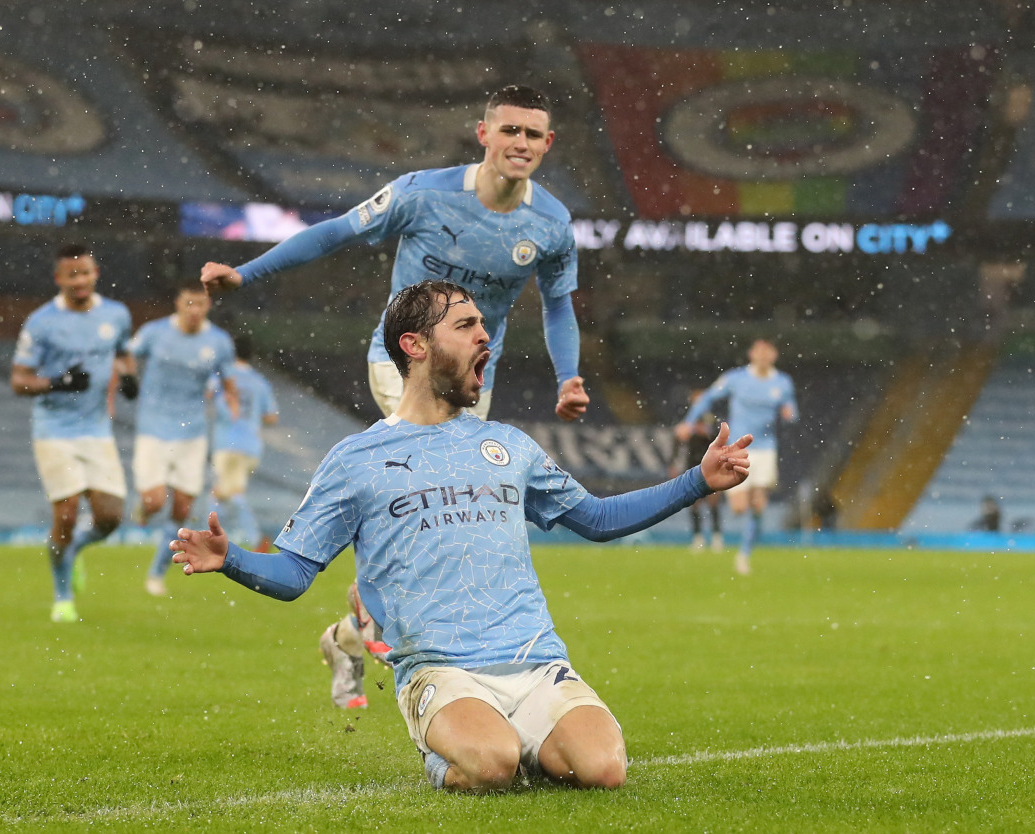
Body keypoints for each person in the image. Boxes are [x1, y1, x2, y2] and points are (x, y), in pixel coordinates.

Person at [170, 281, 753, 792]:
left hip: (535, 659)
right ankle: (451, 745)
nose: (485, 337)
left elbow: (596, 521)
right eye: (467, 325)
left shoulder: (509, 446)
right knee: (492, 765)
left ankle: (518, 732)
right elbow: (295, 574)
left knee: (603, 770)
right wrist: (232, 560)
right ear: (415, 346)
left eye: (484, 325)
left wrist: (697, 482)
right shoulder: (356, 460)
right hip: (438, 667)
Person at [200, 84, 590, 707]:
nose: (520, 143)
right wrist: (247, 272)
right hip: (402, 365)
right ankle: (371, 608)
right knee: (418, 480)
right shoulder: (420, 194)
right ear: (483, 134)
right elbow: (332, 234)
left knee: (455, 514)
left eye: (533, 134)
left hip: (470, 382)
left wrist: (568, 376)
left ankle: (350, 636)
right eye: (509, 130)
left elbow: (558, 306)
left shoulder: (550, 225)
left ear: (549, 144)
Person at [11, 243, 134, 622]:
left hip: (96, 429)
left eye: (85, 273)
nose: (79, 281)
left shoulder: (116, 314)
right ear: (58, 278)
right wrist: (57, 383)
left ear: (96, 274)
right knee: (64, 514)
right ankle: (63, 598)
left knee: (110, 517)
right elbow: (18, 381)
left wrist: (129, 376)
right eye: (71, 274)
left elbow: (123, 352)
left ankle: (74, 550)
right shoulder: (41, 322)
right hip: (54, 429)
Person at [127, 282, 240, 597]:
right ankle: (144, 509)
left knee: (181, 509)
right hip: (153, 427)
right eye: (189, 303)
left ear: (208, 307)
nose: (195, 310)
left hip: (192, 433)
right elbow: (125, 359)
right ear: (177, 303)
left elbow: (229, 381)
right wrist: (124, 383)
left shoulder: (218, 342)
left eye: (201, 304)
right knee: (154, 500)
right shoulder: (153, 333)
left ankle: (156, 573)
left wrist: (234, 407)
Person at [675, 339, 797, 576]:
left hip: (766, 449)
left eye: (767, 352)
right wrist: (689, 422)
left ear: (774, 355)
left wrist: (789, 413)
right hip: (739, 447)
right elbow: (708, 397)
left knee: (759, 503)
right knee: (740, 507)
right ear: (751, 354)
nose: (762, 356)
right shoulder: (736, 379)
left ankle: (744, 554)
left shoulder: (782, 382)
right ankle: (736, 528)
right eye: (758, 352)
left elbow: (791, 408)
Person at [209, 334, 279, 554]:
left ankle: (253, 538)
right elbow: (272, 416)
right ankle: (214, 538)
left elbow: (208, 395)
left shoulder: (222, 376)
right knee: (224, 492)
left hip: (227, 442)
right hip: (250, 445)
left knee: (227, 493)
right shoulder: (260, 382)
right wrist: (252, 415)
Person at [670, 389, 722, 553]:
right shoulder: (687, 420)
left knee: (713, 502)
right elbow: (677, 441)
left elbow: (721, 437)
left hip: (711, 465)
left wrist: (708, 433)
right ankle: (698, 537)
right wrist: (673, 462)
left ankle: (716, 537)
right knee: (694, 503)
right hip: (692, 465)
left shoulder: (712, 419)